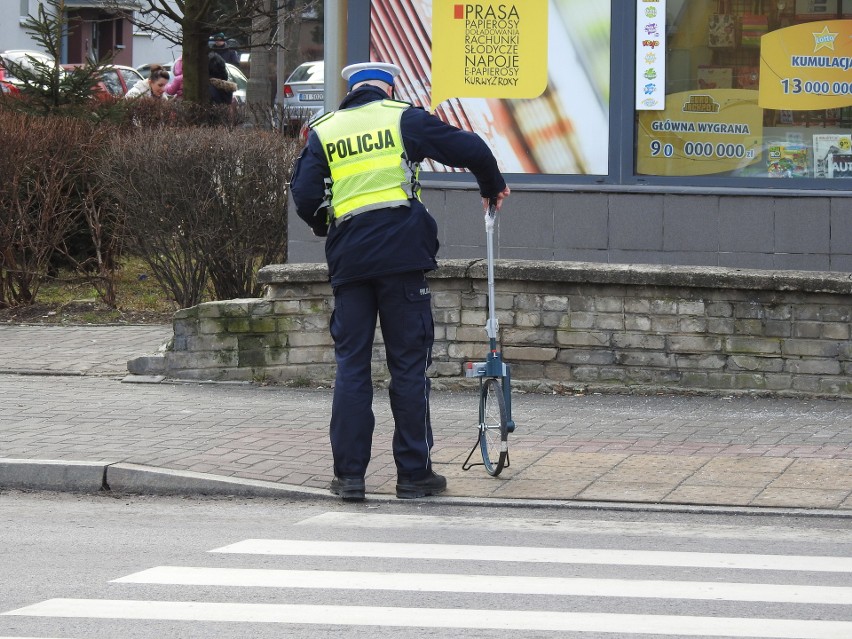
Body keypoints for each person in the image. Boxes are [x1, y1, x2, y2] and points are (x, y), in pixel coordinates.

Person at [290, 61, 510, 502]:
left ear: (349, 90)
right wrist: (491, 185)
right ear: (389, 88)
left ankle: (350, 477)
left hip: (351, 263)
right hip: (403, 260)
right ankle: (413, 475)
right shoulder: (403, 118)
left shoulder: (326, 129)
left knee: (351, 367)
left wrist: (326, 226)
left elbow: (304, 195)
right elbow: (471, 148)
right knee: (407, 368)